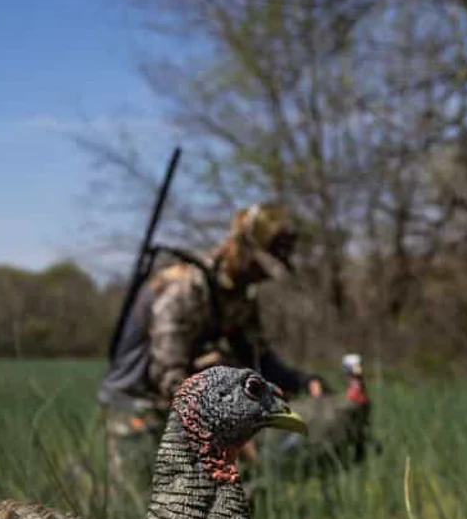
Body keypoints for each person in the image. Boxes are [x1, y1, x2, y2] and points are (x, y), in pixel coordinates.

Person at [98, 202, 324, 497]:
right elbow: (168, 376)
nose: (264, 277)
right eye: (261, 266)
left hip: (186, 407)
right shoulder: (185, 289)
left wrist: (302, 382)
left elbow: (257, 356)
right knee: (142, 509)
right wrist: (227, 427)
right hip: (138, 406)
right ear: (243, 250)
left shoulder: (240, 296)